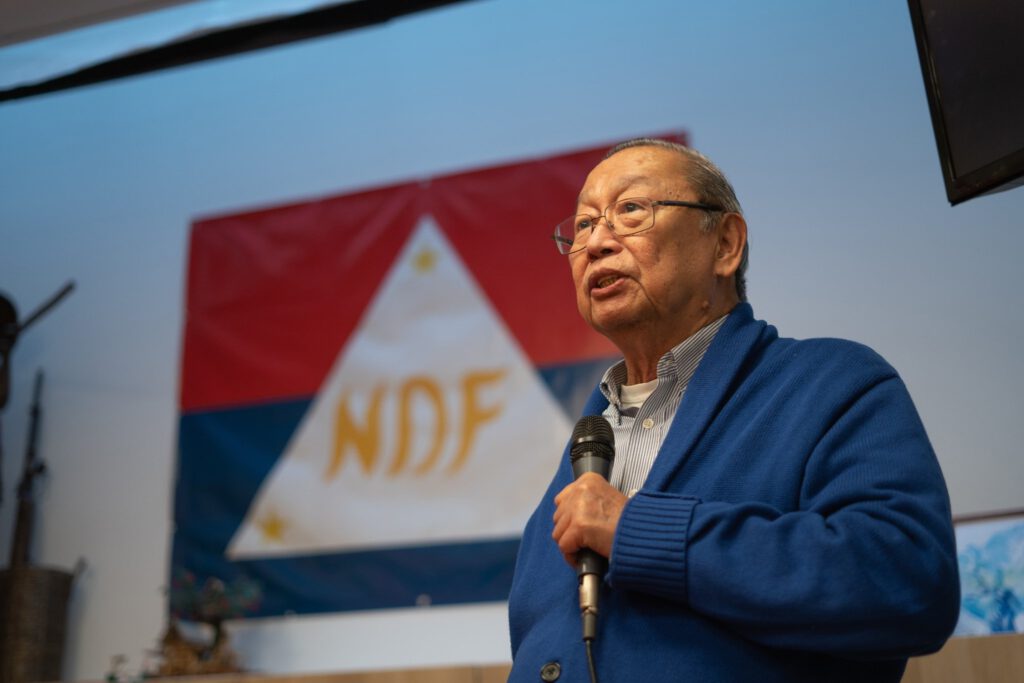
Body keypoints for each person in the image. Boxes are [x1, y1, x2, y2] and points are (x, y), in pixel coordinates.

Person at [507, 138, 960, 682]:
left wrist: (636, 530)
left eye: (630, 210)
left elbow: (908, 579)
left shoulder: (832, 383)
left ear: (725, 244)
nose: (597, 242)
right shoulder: (588, 444)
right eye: (582, 225)